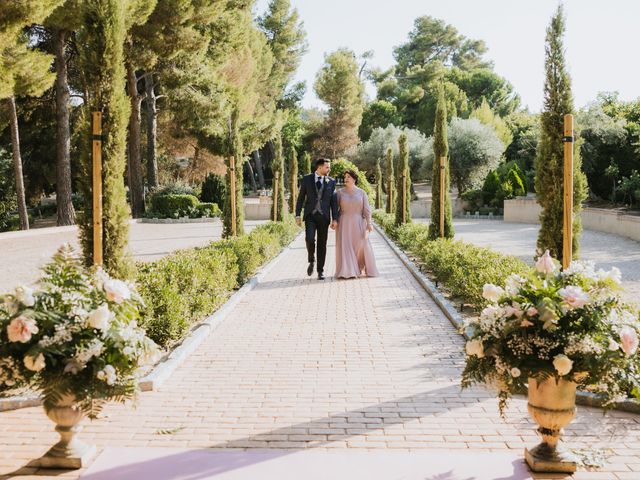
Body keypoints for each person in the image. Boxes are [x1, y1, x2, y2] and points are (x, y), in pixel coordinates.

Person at [295, 158, 338, 280]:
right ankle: (311, 259)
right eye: (327, 167)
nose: (329, 169)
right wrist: (297, 214)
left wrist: (335, 218)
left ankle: (320, 270)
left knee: (322, 244)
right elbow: (301, 198)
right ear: (319, 168)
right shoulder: (307, 179)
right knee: (309, 239)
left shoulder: (331, 181)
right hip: (310, 216)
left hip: (324, 217)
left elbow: (333, 202)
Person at [335, 170, 379, 279]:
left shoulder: (362, 193)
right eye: (345, 177)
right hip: (344, 223)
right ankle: (348, 271)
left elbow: (367, 210)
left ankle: (359, 267)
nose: (346, 179)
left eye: (348, 177)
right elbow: (335, 210)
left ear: (354, 179)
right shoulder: (339, 193)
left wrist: (369, 224)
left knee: (360, 246)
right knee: (346, 247)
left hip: (359, 222)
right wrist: (334, 220)